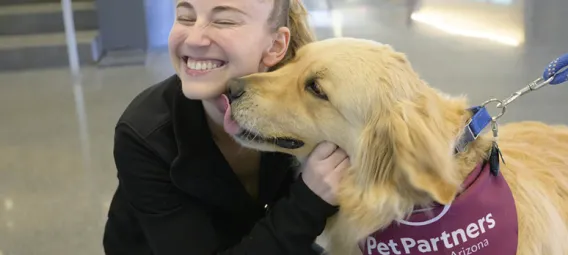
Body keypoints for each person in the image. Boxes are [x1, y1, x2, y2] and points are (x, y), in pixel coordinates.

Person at [102, 0, 350, 254]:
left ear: (275, 45)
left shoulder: (300, 106)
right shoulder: (144, 135)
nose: (195, 39)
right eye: (185, 17)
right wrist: (309, 199)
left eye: (224, 21)